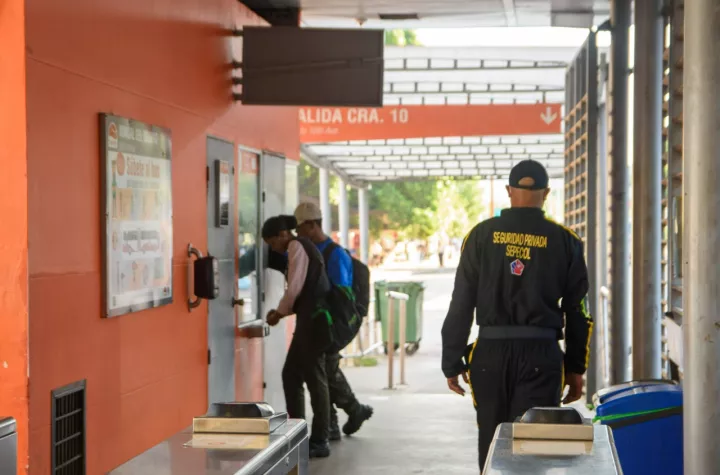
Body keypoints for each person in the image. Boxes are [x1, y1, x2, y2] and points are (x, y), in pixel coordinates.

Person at [440, 160, 593, 470]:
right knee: (534, 448)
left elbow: (461, 302)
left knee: (492, 442)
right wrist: (576, 367)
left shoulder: (480, 236)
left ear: (509, 191)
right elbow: (577, 311)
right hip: (541, 356)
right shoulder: (566, 241)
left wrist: (452, 360)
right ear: (546, 193)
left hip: (490, 356)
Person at [294, 202, 374, 441]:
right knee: (325, 370)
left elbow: (342, 297)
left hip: (332, 323)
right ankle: (343, 417)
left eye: (300, 228)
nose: (298, 233)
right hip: (319, 322)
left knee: (324, 370)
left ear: (312, 225)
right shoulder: (310, 250)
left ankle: (343, 417)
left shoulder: (335, 254)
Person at [262, 215, 333, 458]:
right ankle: (297, 433)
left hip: (313, 323)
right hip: (308, 321)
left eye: (273, 242)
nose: (274, 249)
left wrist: (279, 313)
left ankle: (320, 439)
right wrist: (283, 311)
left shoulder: (297, 246)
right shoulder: (301, 246)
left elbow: (295, 287)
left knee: (315, 379)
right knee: (292, 375)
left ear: (283, 234)